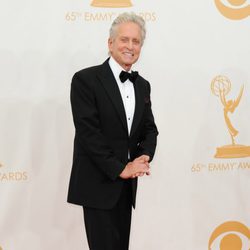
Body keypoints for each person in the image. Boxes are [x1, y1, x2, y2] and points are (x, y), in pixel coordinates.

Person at [67, 12, 158, 250]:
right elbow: (89, 134)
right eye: (124, 40)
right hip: (98, 184)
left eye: (136, 41)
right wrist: (121, 169)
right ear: (110, 43)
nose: (130, 46)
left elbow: (150, 129)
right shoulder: (85, 80)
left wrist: (143, 156)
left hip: (126, 190)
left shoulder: (142, 85)